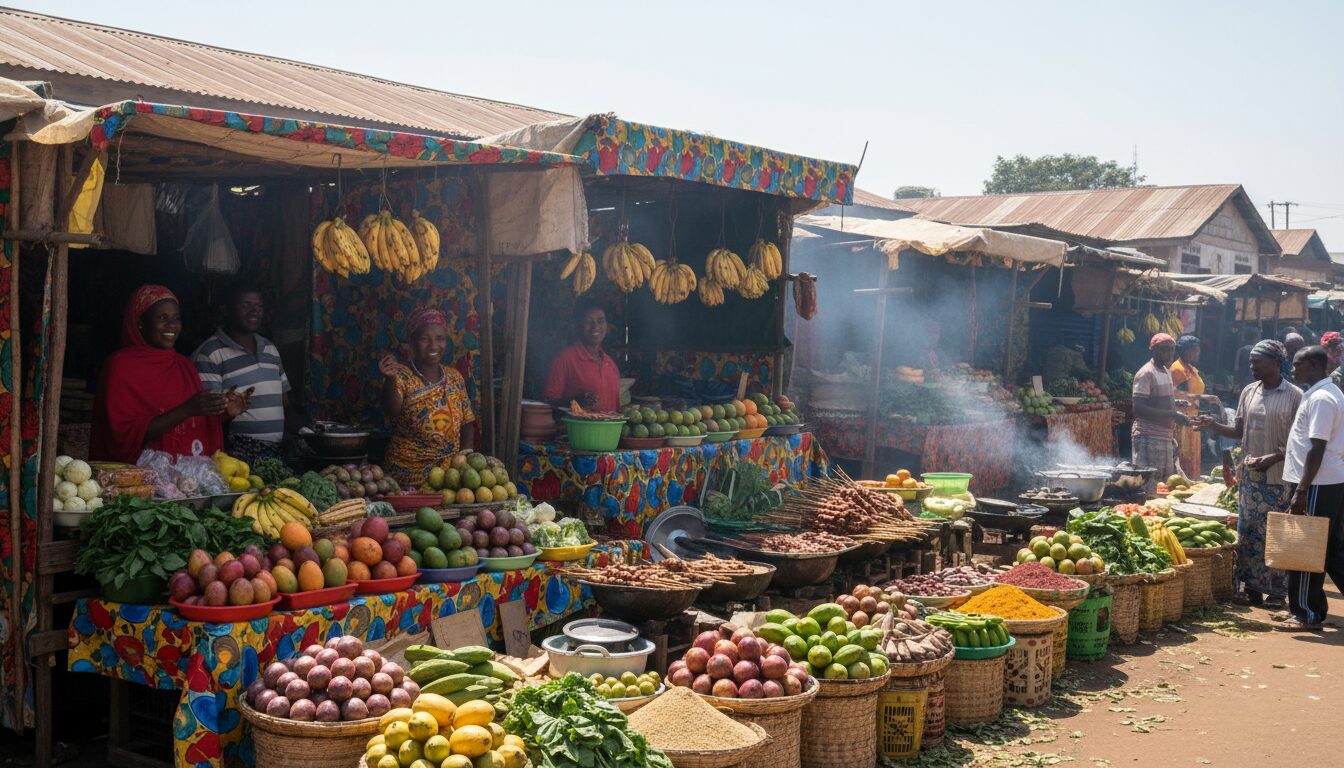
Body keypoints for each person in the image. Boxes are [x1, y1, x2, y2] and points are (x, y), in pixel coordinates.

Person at [1197, 339, 1301, 606]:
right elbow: (1238, 432)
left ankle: (1277, 592)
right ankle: (1252, 588)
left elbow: (1298, 442)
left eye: (1258, 362)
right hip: (1251, 478)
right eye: (1251, 361)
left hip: (1280, 477)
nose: (1252, 366)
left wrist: (1274, 457)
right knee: (1250, 533)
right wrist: (1214, 426)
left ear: (1276, 363)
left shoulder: (1294, 395)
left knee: (1276, 533)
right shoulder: (1249, 392)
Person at [91, 285, 242, 463]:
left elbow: (193, 424)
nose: (172, 325)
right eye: (162, 317)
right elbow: (122, 433)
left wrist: (225, 414)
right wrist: (187, 409)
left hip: (185, 480)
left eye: (176, 318)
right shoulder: (120, 366)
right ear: (140, 323)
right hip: (139, 479)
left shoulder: (184, 366)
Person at [1276, 345, 1344, 631]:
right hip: (1324, 481)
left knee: (1305, 547)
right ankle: (1311, 608)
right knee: (1329, 550)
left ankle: (1305, 612)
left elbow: (1317, 447)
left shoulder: (1323, 398)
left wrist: (1301, 490)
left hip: (1317, 483)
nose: (1292, 370)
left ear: (1315, 365)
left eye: (1297, 364)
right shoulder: (1320, 394)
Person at [192, 282, 295, 461]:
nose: (254, 311)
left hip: (276, 454)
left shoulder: (270, 348)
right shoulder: (210, 353)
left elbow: (283, 400)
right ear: (226, 310)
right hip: (236, 458)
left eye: (258, 306)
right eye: (245, 305)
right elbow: (207, 416)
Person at [380, 306, 475, 486]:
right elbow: (392, 410)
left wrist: (465, 457)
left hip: (449, 478)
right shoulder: (401, 376)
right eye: (425, 339)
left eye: (439, 339)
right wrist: (390, 380)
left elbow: (468, 422)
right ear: (412, 341)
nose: (433, 346)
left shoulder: (455, 377)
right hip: (407, 477)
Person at [543, 300, 621, 412]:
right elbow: (548, 402)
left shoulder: (610, 364)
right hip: (579, 429)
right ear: (578, 326)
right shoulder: (565, 358)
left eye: (601, 321)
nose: (596, 327)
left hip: (611, 430)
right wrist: (574, 402)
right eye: (588, 322)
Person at [1131, 333, 1187, 490]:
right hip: (1148, 435)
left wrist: (1175, 404)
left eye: (1171, 350)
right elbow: (1139, 408)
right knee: (1148, 484)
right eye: (1164, 350)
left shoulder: (1165, 371)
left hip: (1164, 435)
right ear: (1153, 350)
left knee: (1164, 484)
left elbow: (1157, 399)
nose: (1168, 353)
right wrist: (1172, 414)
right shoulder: (1146, 373)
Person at [1169, 335, 1220, 477]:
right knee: (1183, 453)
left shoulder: (1190, 368)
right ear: (1185, 351)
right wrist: (1201, 397)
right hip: (1181, 420)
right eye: (1195, 350)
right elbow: (1176, 394)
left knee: (1191, 453)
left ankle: (1189, 482)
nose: (1198, 353)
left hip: (1192, 417)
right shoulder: (1177, 369)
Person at [1234, 326, 1260, 391]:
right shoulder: (1260, 350)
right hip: (1257, 383)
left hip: (1244, 384)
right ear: (1255, 337)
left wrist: (1235, 383)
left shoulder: (1242, 350)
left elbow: (1237, 369)